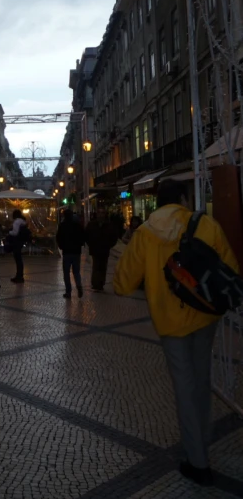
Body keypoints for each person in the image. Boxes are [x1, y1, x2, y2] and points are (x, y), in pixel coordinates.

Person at [113, 179, 239, 487]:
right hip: (205, 316)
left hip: (170, 322)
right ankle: (204, 434)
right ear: (183, 199)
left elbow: (122, 284)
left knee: (184, 385)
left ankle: (198, 461)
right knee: (202, 376)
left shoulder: (144, 234)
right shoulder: (205, 223)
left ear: (156, 203)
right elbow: (231, 268)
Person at [84, 207, 118, 292]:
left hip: (104, 249)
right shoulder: (91, 224)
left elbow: (114, 237)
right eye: (99, 213)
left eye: (102, 213)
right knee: (96, 266)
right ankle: (95, 283)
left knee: (103, 267)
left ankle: (101, 283)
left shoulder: (109, 225)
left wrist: (109, 245)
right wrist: (91, 244)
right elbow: (86, 236)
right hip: (95, 248)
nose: (100, 215)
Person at [56, 209, 85, 299]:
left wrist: (61, 246)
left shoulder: (62, 225)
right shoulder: (78, 225)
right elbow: (83, 236)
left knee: (66, 272)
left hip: (67, 251)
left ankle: (68, 291)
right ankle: (79, 286)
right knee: (76, 271)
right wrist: (80, 244)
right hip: (76, 251)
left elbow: (58, 237)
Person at [8, 209, 28, 283]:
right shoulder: (23, 221)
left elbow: (15, 233)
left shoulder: (17, 222)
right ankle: (19, 275)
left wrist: (9, 232)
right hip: (21, 242)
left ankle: (19, 276)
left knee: (18, 259)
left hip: (16, 242)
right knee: (19, 260)